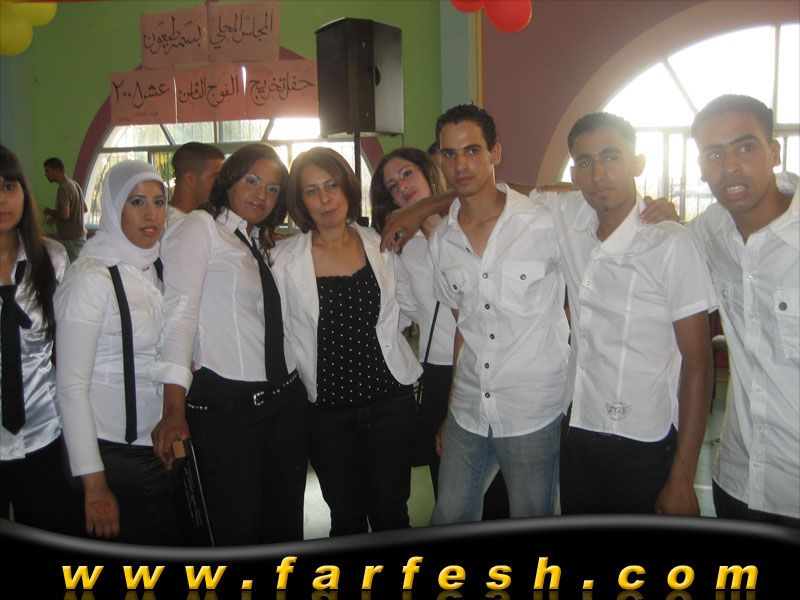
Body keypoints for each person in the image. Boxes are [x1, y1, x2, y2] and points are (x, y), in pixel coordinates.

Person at [547, 113, 715, 515]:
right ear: (574, 173)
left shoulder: (671, 243)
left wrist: (682, 479)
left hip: (644, 441)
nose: (599, 173)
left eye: (611, 156)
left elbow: (699, 364)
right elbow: (499, 192)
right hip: (577, 428)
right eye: (585, 162)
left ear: (637, 163)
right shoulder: (570, 222)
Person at [153, 143, 308, 545]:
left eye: (272, 189)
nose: (261, 195)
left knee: (284, 529)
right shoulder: (199, 228)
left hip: (284, 403)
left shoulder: (255, 240)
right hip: (230, 411)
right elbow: (180, 314)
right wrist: (173, 408)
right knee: (235, 531)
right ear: (229, 180)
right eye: (252, 181)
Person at [426, 105, 568, 525]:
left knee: (531, 517)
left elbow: (598, 200)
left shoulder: (544, 222)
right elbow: (463, 326)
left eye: (472, 150)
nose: (461, 164)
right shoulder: (443, 240)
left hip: (532, 406)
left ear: (495, 153)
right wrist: (451, 408)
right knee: (449, 514)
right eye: (449, 154)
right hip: (470, 405)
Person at [273, 147, 421, 536]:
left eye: (332, 186)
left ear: (347, 188)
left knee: (392, 514)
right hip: (326, 413)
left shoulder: (381, 244)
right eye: (312, 191)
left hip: (389, 402)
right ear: (300, 201)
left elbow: (405, 308)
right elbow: (280, 332)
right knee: (346, 518)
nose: (325, 199)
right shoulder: (283, 260)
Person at [370, 147, 509, 520]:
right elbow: (401, 310)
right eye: (392, 186)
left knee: (497, 488)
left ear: (429, 174)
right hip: (439, 370)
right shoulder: (401, 248)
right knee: (448, 486)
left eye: (407, 174)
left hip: (491, 365)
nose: (401, 187)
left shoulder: (474, 224)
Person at [54, 160, 179, 544]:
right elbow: (70, 389)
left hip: (152, 447)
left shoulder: (151, 268)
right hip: (109, 456)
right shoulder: (91, 277)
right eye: (136, 202)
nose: (151, 215)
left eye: (159, 202)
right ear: (112, 207)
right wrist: (94, 486)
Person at [688, 95, 799, 527]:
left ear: (774, 152)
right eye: (714, 154)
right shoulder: (708, 232)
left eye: (746, 147)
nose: (730, 166)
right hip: (736, 480)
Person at [0, 145, 73, 534]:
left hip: (43, 434)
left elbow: (69, 346)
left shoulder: (52, 259)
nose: (2, 199)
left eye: (8, 186)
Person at [167, 142, 225, 228]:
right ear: (190, 179)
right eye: (216, 178)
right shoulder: (174, 225)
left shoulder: (200, 218)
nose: (221, 183)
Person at [43, 157, 86, 262]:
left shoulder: (64, 189)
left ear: (56, 170)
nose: (45, 174)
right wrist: (56, 217)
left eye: (47, 171)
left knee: (72, 269)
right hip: (79, 236)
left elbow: (64, 215)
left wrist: (50, 212)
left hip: (70, 240)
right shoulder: (74, 184)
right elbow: (84, 209)